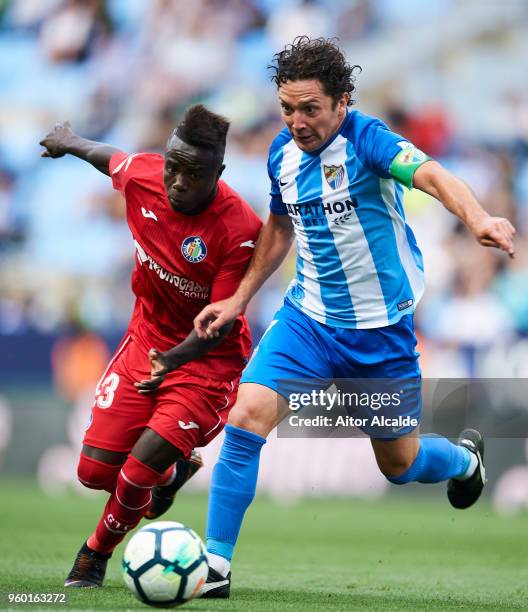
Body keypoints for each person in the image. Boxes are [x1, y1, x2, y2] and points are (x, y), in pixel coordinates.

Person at [193, 36, 517, 598]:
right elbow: (279, 226)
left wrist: (478, 217)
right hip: (307, 319)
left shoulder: (368, 140)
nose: (297, 121)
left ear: (342, 102)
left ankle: (464, 462)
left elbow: (435, 175)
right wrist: (240, 298)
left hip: (379, 333)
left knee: (400, 463)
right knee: (245, 416)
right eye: (288, 109)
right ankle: (214, 566)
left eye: (310, 109)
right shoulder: (281, 154)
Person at [39, 105, 262, 588]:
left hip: (205, 363)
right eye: (172, 165)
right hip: (145, 341)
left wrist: (175, 360)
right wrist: (69, 139)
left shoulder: (238, 230)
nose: (177, 181)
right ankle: (171, 474)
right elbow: (111, 158)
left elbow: (220, 323)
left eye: (193, 173)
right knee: (95, 473)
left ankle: (93, 555)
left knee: (136, 471)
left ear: (218, 174)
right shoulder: (145, 176)